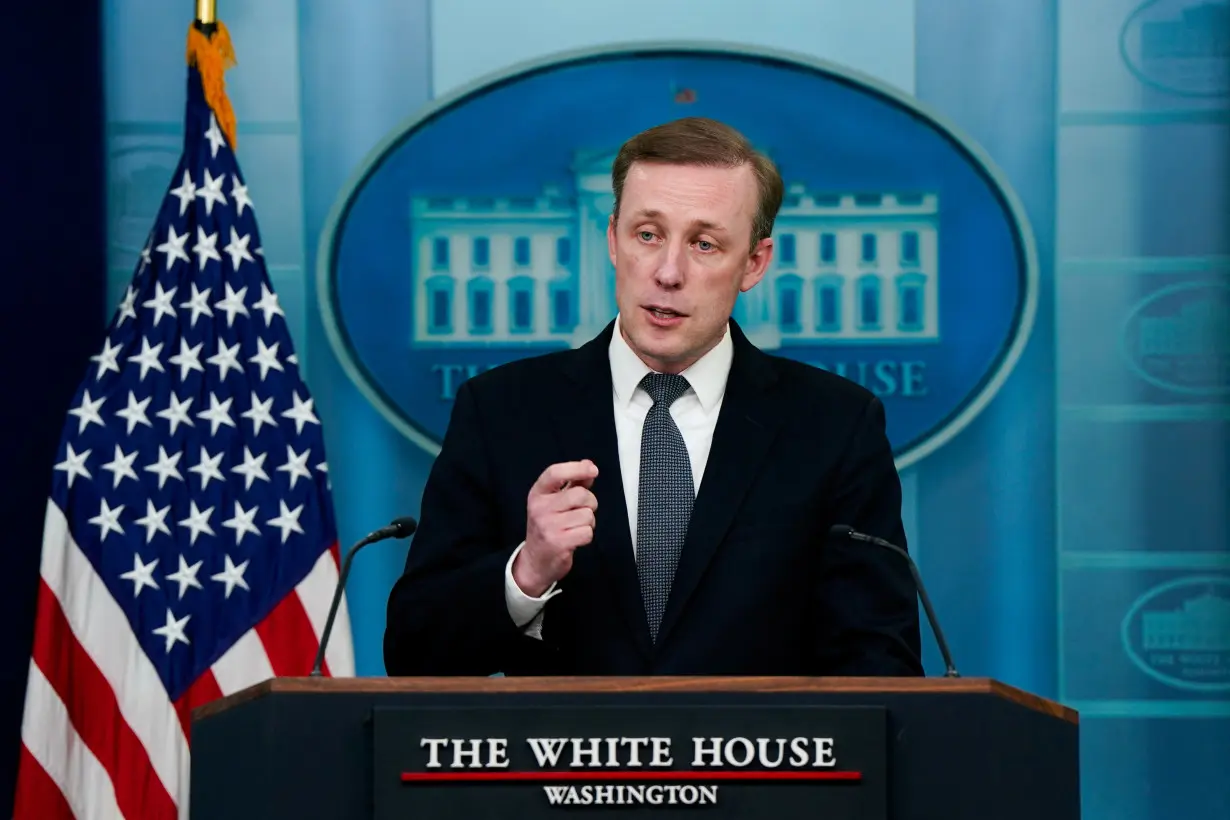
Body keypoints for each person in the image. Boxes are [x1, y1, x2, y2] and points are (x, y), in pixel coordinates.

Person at [383, 116, 923, 677]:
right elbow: (414, 654)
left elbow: (882, 668)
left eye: (705, 243)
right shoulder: (500, 411)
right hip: (560, 764)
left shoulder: (834, 425)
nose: (668, 272)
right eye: (648, 235)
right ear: (613, 239)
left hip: (755, 764)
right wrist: (527, 573)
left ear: (754, 264)